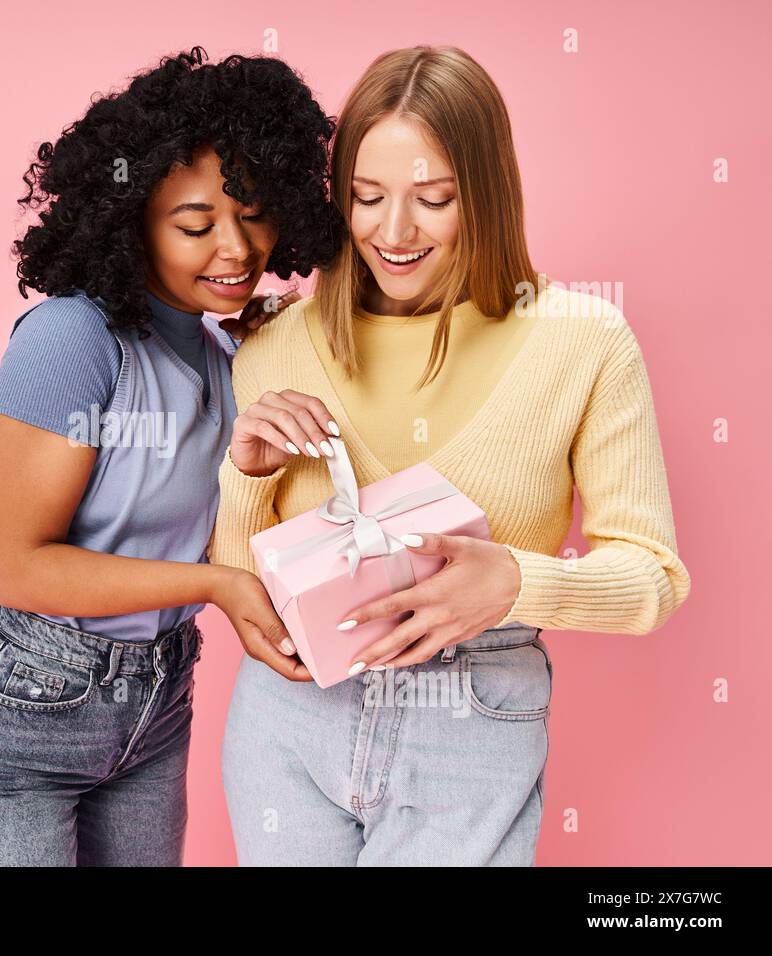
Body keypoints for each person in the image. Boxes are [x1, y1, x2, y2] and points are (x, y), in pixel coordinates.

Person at [209, 45, 691, 866]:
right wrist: (246, 475)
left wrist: (518, 582)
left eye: (433, 200)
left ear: (488, 195)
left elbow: (654, 580)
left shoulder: (584, 343)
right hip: (290, 723)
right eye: (366, 198)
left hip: (474, 722)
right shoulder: (275, 345)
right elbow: (242, 589)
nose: (393, 233)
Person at [0, 46, 342, 866]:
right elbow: (19, 569)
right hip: (28, 713)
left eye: (254, 213)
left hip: (156, 705)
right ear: (131, 223)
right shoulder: (71, 341)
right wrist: (216, 586)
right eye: (195, 226)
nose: (236, 247)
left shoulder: (228, 355)